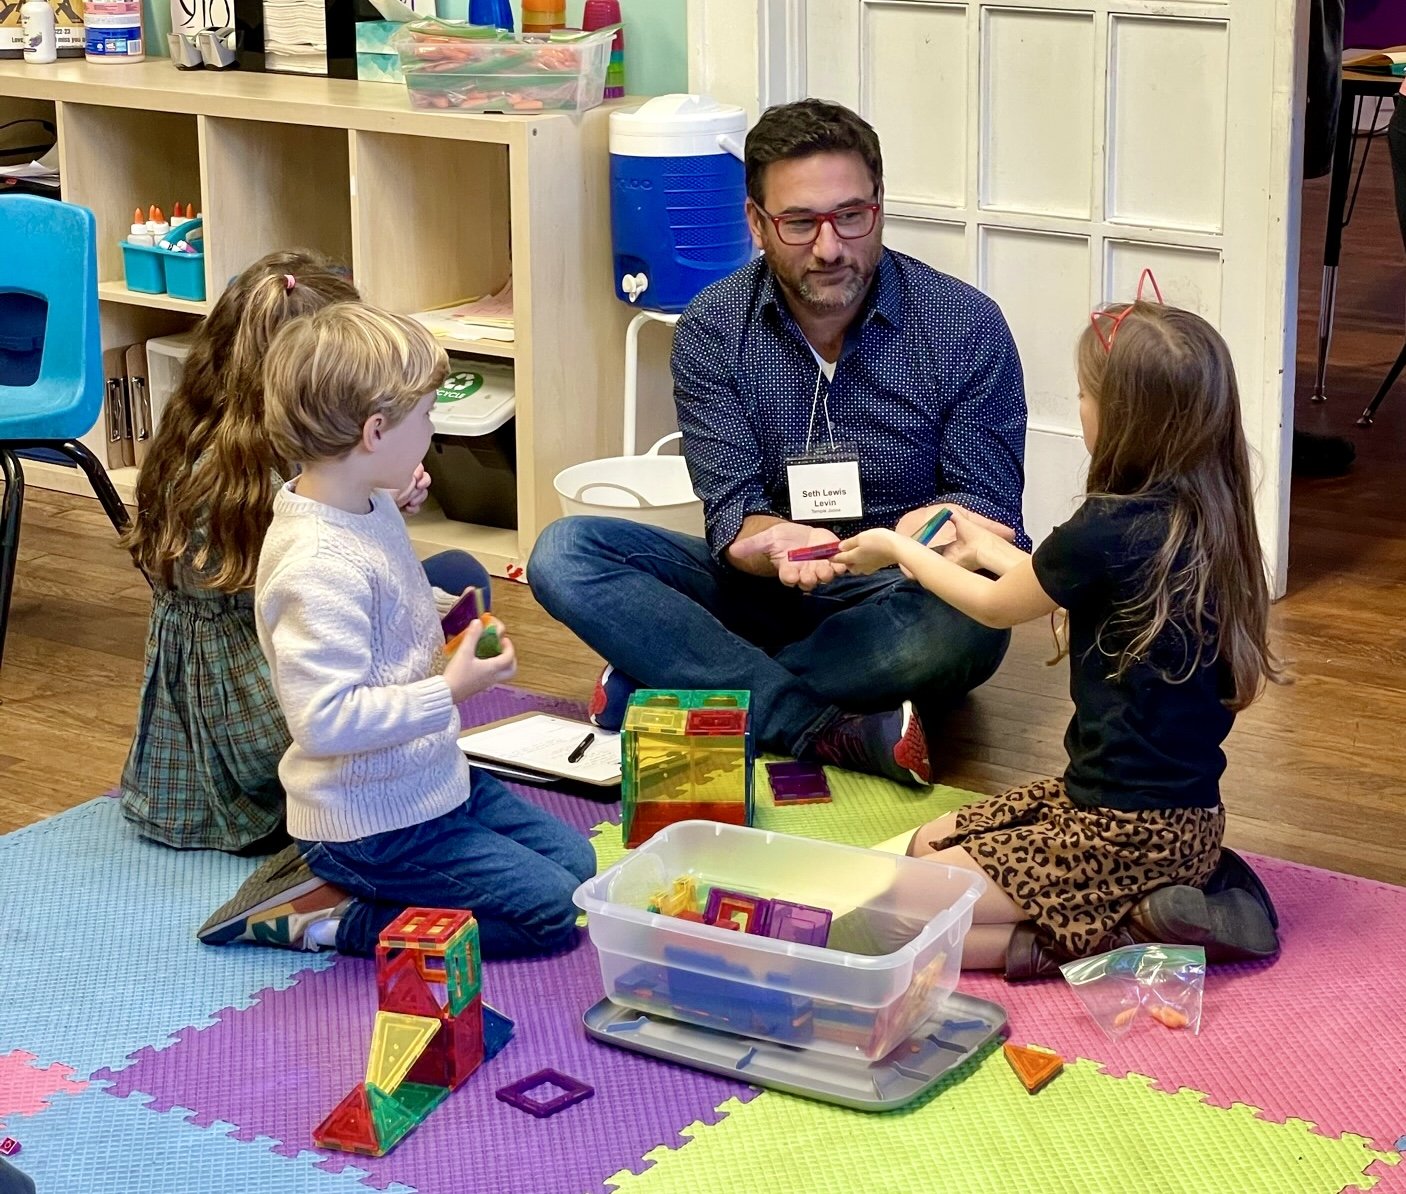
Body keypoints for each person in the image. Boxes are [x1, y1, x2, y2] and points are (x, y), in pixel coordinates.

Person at [530, 99, 1028, 788]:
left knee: (965, 628)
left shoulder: (963, 325)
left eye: (851, 216)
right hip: (766, 592)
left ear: (879, 206)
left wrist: (932, 532)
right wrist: (769, 541)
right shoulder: (713, 327)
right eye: (799, 222)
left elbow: (991, 511)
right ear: (756, 223)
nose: (830, 247)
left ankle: (673, 682)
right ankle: (816, 725)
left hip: (907, 592)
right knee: (566, 552)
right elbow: (732, 510)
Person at [834, 286, 1283, 979]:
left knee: (897, 914)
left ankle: (1126, 932)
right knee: (928, 845)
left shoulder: (1103, 528)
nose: (1079, 407)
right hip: (1182, 827)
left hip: (1113, 833)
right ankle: (1171, 895)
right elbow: (1052, 585)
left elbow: (993, 608)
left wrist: (897, 551)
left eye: (1083, 393)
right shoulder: (1204, 519)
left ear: (1121, 419)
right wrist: (977, 543)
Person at [212, 302, 594, 959]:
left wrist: (389, 492)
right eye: (426, 417)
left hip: (432, 782)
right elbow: (325, 721)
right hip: (372, 825)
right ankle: (329, 918)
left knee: (580, 869)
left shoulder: (352, 495)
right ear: (375, 432)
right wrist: (450, 689)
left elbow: (381, 585)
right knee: (550, 916)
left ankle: (349, 888)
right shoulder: (313, 565)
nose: (433, 430)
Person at [119, 251, 491, 855]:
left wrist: (382, 492)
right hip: (272, 716)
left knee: (451, 580)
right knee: (453, 581)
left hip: (242, 674)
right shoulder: (262, 489)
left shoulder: (204, 434)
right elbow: (324, 593)